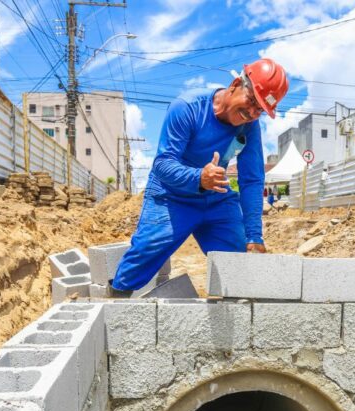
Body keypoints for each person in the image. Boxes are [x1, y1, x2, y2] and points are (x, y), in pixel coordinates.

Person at [109, 58, 290, 296]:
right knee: (145, 252)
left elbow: (252, 179)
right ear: (236, 84)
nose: (252, 113)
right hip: (172, 196)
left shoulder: (249, 126)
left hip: (216, 198)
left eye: (260, 111)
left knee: (238, 261)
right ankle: (115, 302)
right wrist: (198, 177)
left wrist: (254, 235)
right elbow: (162, 164)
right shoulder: (187, 107)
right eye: (252, 101)